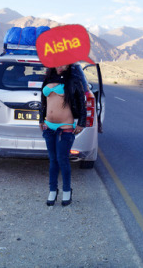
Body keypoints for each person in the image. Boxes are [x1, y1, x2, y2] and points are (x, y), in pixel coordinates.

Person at [39, 64, 86, 206]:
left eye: (64, 63)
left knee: (62, 159)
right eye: (58, 63)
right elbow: (43, 102)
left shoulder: (73, 80)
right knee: (53, 160)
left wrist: (81, 123)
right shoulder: (47, 79)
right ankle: (52, 190)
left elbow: (81, 104)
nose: (60, 66)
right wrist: (41, 120)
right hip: (49, 126)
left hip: (65, 126)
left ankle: (67, 191)